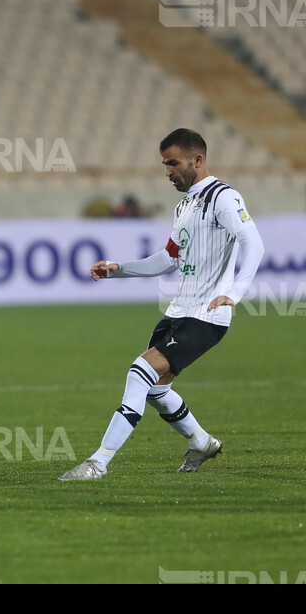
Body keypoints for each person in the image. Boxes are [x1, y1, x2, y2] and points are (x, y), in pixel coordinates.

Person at [59, 128, 265, 480]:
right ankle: (201, 443)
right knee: (156, 389)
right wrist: (118, 270)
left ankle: (98, 462)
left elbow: (253, 242)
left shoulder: (223, 198)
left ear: (197, 160)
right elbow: (169, 259)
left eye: (174, 163)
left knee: (139, 372)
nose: (168, 171)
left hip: (206, 315)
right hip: (178, 312)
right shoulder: (184, 205)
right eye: (164, 164)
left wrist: (237, 291)